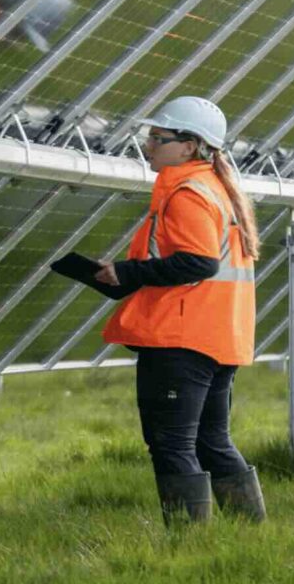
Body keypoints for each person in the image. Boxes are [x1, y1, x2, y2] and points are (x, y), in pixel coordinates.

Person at [94, 96, 264, 526]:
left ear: (189, 146)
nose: (148, 145)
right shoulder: (215, 189)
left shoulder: (187, 192)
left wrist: (128, 271)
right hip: (217, 336)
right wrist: (127, 276)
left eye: (158, 138)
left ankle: (189, 544)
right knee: (211, 440)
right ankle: (248, 532)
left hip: (181, 339)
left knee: (171, 444)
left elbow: (198, 261)